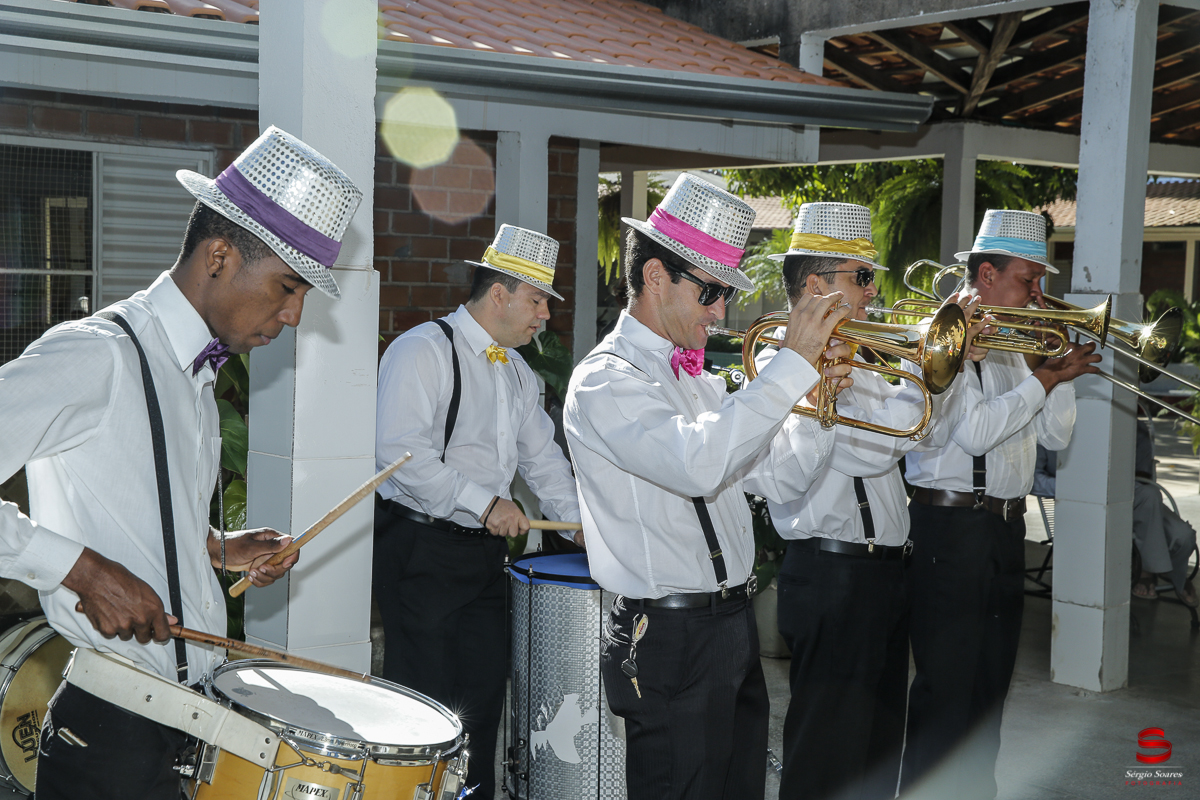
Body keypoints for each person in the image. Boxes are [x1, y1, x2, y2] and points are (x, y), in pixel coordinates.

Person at [0, 126, 363, 800]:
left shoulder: (193, 376)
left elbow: (132, 509)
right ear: (220, 255)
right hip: (110, 727)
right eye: (287, 287)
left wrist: (219, 550)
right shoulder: (95, 355)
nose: (292, 315)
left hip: (186, 718)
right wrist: (77, 569)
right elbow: (91, 555)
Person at [564, 174, 853, 800]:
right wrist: (791, 366)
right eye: (712, 291)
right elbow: (697, 462)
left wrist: (820, 400)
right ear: (656, 278)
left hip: (730, 624)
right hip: (666, 634)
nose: (722, 311)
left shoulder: (698, 379)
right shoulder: (603, 381)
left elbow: (782, 477)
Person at [763, 202, 984, 800]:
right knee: (827, 756)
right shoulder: (778, 362)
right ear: (815, 285)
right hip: (832, 571)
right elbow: (867, 450)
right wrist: (937, 366)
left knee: (878, 752)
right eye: (861, 277)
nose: (872, 292)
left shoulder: (861, 358)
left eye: (872, 278)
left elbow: (925, 436)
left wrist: (950, 368)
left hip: (883, 572)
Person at [373, 224, 581, 800]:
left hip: (484, 561)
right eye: (538, 300)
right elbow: (399, 456)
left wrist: (580, 523)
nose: (545, 316)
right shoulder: (422, 350)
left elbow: (544, 463)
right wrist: (485, 502)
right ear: (499, 294)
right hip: (419, 553)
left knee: (483, 702)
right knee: (423, 708)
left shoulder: (518, 373)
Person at [901, 208, 1102, 800]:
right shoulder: (948, 336)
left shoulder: (1019, 343)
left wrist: (1056, 376)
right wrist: (1040, 382)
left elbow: (1058, 437)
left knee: (990, 689)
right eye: (1027, 279)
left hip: (1004, 532)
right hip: (948, 527)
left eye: (1040, 280)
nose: (1039, 294)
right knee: (947, 691)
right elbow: (974, 433)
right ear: (986, 275)